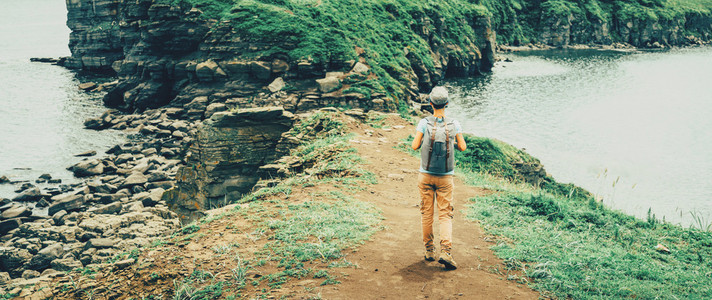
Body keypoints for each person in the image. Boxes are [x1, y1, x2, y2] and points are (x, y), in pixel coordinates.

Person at [411, 86, 467, 270]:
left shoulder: (423, 122)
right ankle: (446, 252)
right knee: (445, 215)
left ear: (430, 104)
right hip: (445, 178)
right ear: (447, 104)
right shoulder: (455, 124)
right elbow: (463, 147)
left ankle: (429, 251)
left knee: (427, 214)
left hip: (425, 175)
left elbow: (414, 145)